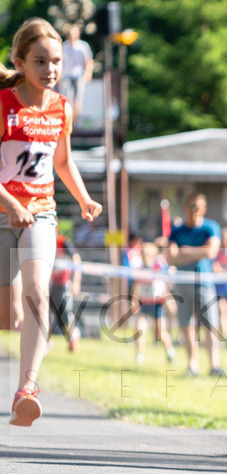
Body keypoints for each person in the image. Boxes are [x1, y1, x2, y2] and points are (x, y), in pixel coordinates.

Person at [0, 18, 103, 426]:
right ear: (20, 62)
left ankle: (26, 388)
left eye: (56, 62)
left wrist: (83, 198)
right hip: (3, 211)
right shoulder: (5, 104)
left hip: (41, 211)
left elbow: (61, 161)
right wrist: (9, 203)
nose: (50, 70)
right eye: (40, 61)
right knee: (9, 316)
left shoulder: (61, 107)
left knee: (39, 295)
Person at [165, 192, 223, 376]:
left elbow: (211, 252)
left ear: (203, 208)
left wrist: (184, 251)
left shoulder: (211, 227)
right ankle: (192, 365)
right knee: (185, 325)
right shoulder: (176, 230)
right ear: (185, 207)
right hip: (182, 284)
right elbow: (170, 257)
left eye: (197, 207)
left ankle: (215, 366)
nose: (194, 211)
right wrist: (200, 251)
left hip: (204, 282)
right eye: (190, 206)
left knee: (210, 325)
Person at [131, 242, 175, 365]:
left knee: (160, 333)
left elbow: (169, 277)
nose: (145, 257)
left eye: (148, 254)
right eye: (143, 254)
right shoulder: (138, 267)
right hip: (143, 304)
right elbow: (136, 285)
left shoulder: (158, 267)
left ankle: (170, 350)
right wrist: (133, 301)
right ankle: (139, 356)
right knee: (139, 330)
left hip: (157, 304)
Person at [48, 230, 81, 352]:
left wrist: (76, 282)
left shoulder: (63, 242)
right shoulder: (45, 243)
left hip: (63, 285)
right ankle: (45, 343)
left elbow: (76, 259)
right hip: (49, 284)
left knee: (65, 316)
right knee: (47, 314)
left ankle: (73, 341)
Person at [57, 24, 91, 122]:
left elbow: (88, 61)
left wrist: (88, 73)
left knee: (77, 99)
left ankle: (76, 120)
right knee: (66, 97)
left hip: (78, 75)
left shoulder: (82, 46)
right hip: (67, 74)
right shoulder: (64, 46)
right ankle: (68, 118)